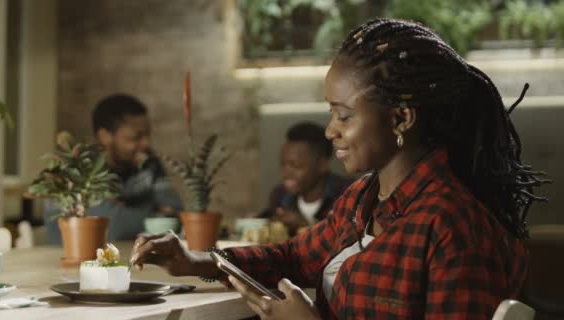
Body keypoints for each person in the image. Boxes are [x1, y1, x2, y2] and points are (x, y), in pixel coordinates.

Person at [129, 18, 550, 319]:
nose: (331, 131)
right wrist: (196, 261)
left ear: (401, 119)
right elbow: (295, 257)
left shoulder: (454, 228)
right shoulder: (364, 198)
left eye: (344, 116)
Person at [45, 94, 182, 244]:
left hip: (131, 257)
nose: (145, 143)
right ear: (105, 136)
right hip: (76, 260)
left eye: (147, 135)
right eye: (136, 137)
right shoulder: (79, 171)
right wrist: (156, 215)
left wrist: (123, 211)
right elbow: (115, 227)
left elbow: (177, 215)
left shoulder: (148, 163)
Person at [259, 122, 353, 236]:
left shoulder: (349, 194)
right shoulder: (279, 196)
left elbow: (352, 242)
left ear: (322, 165)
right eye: (283, 164)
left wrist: (306, 225)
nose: (285, 173)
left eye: (296, 165)